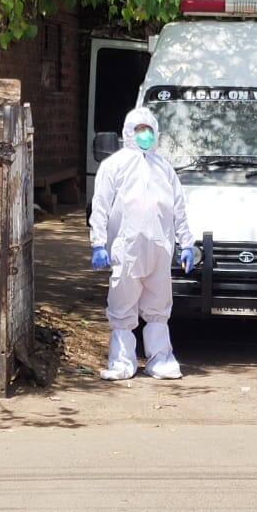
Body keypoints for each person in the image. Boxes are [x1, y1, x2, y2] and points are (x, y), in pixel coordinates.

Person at [89, 107, 196, 380]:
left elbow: (178, 208)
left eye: (148, 129)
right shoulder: (113, 165)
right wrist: (98, 243)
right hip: (126, 247)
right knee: (123, 303)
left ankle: (161, 359)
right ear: (128, 132)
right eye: (139, 129)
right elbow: (100, 205)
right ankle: (122, 362)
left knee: (159, 305)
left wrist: (186, 243)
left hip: (161, 247)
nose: (144, 135)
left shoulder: (164, 168)